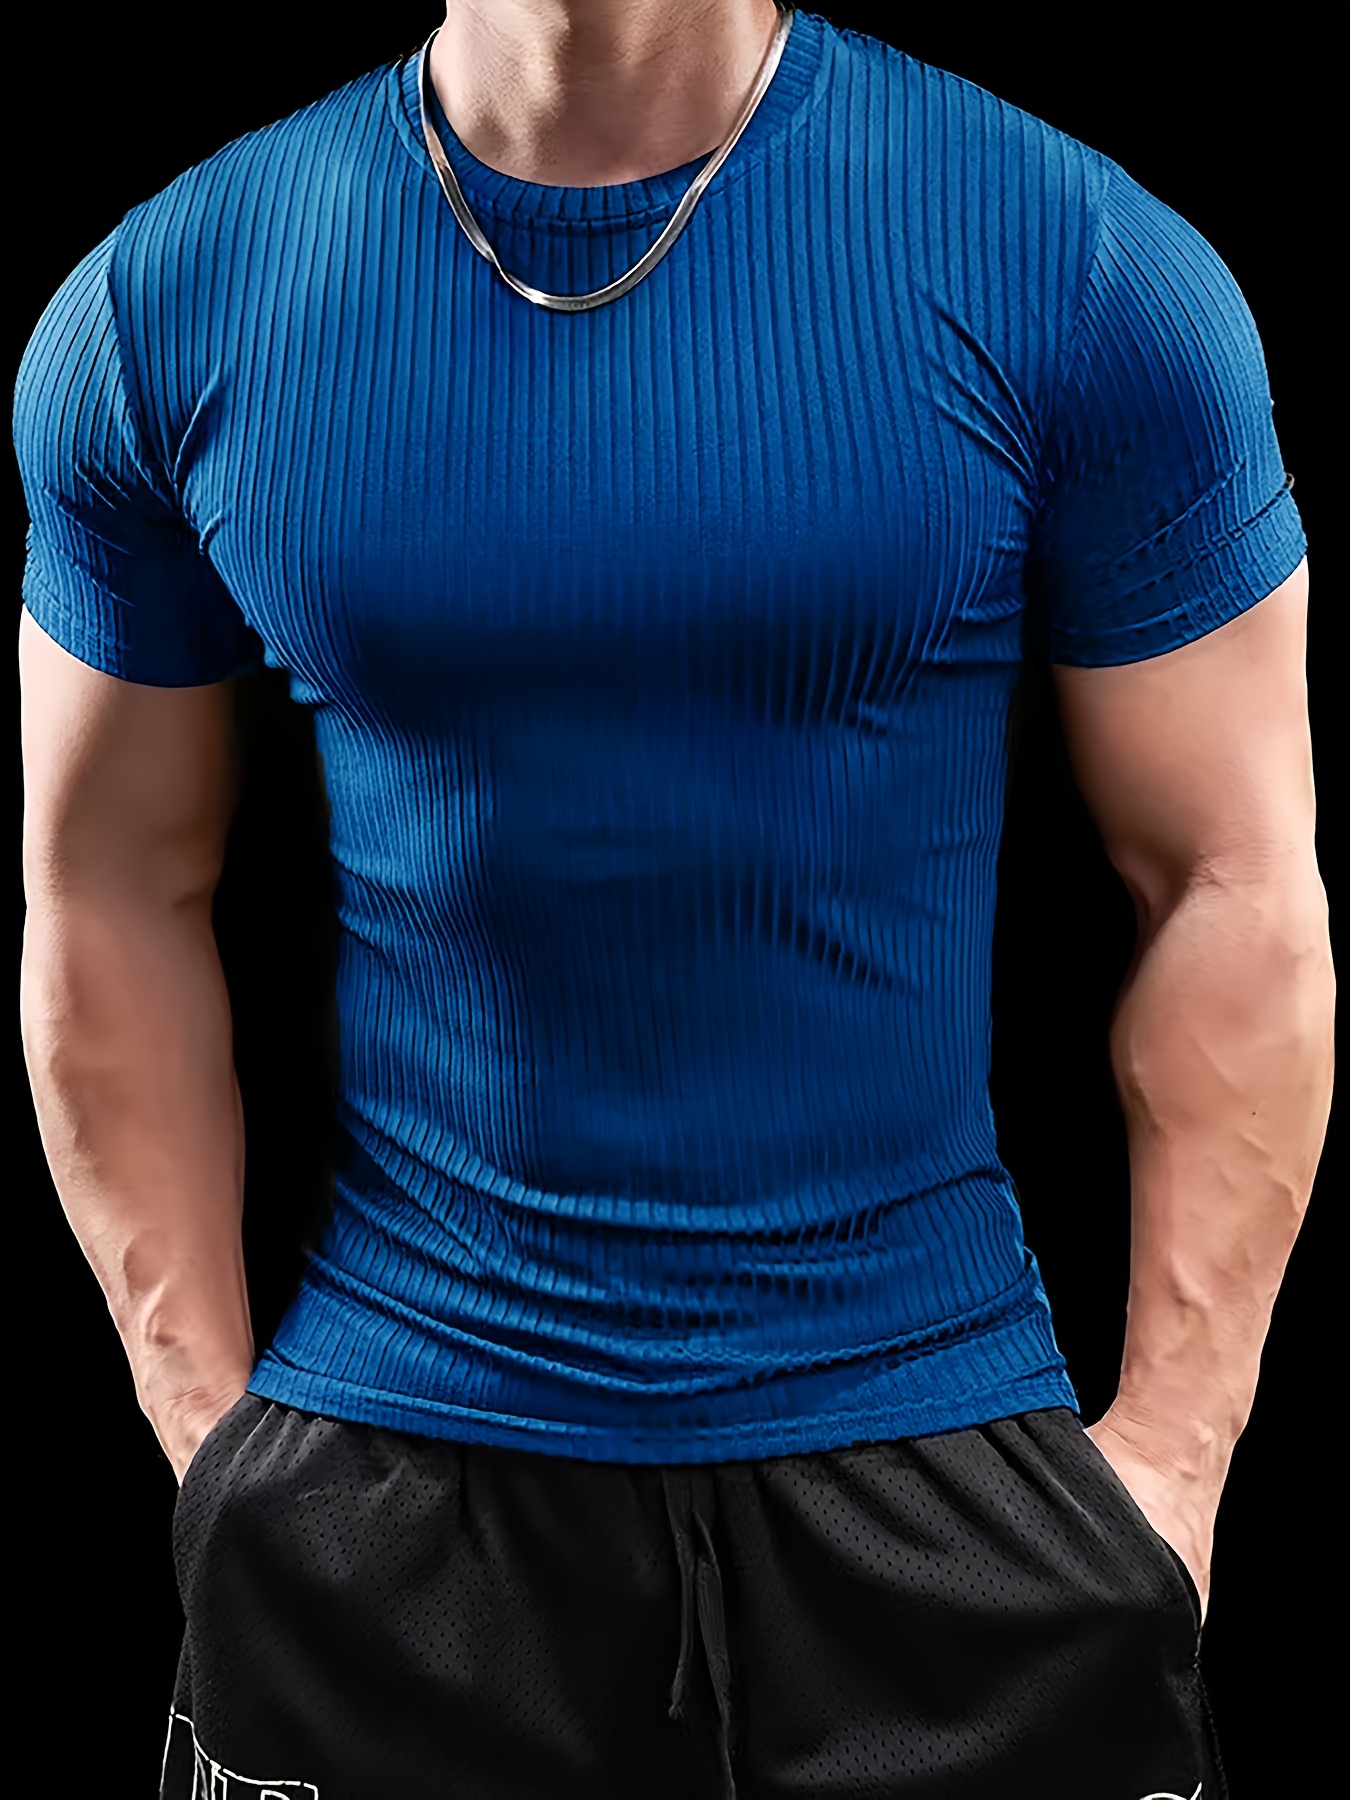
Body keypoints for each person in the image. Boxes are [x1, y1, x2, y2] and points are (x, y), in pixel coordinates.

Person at [14, 2, 1332, 1795]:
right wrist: (212, 1442)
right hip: (386, 1503)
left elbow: (1231, 880)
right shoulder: (168, 301)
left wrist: (1172, 1462)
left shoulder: (1079, 266)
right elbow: (103, 884)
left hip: (939, 1481)